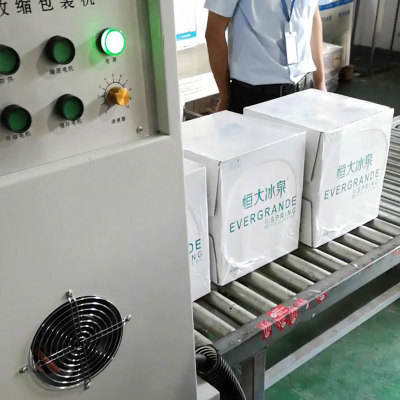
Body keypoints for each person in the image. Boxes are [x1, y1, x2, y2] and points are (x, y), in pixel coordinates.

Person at [204, 0, 326, 113]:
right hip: (255, 98)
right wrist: (225, 94)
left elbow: (312, 13)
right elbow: (214, 32)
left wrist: (320, 81)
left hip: (304, 91)